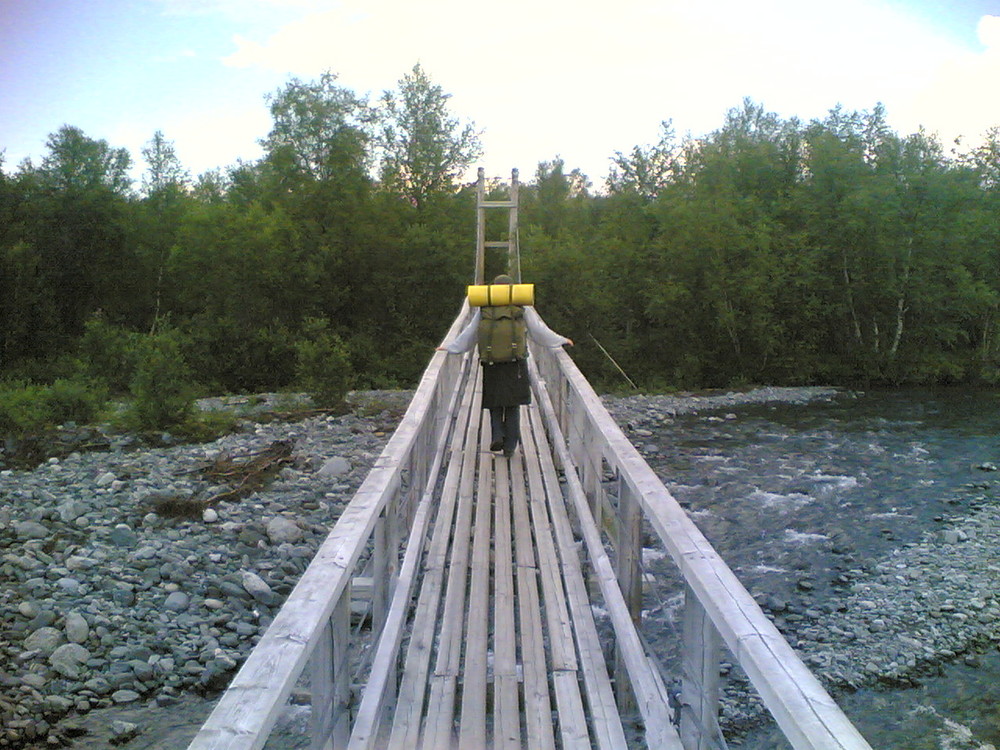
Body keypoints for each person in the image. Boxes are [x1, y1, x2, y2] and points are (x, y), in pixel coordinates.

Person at [438, 274, 573, 457]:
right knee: (512, 403)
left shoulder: (485, 307)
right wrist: (560, 340)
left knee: (494, 401)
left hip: (491, 361)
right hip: (515, 362)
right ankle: (510, 446)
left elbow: (470, 334)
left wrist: (450, 347)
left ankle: (497, 435)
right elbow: (538, 332)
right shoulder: (520, 307)